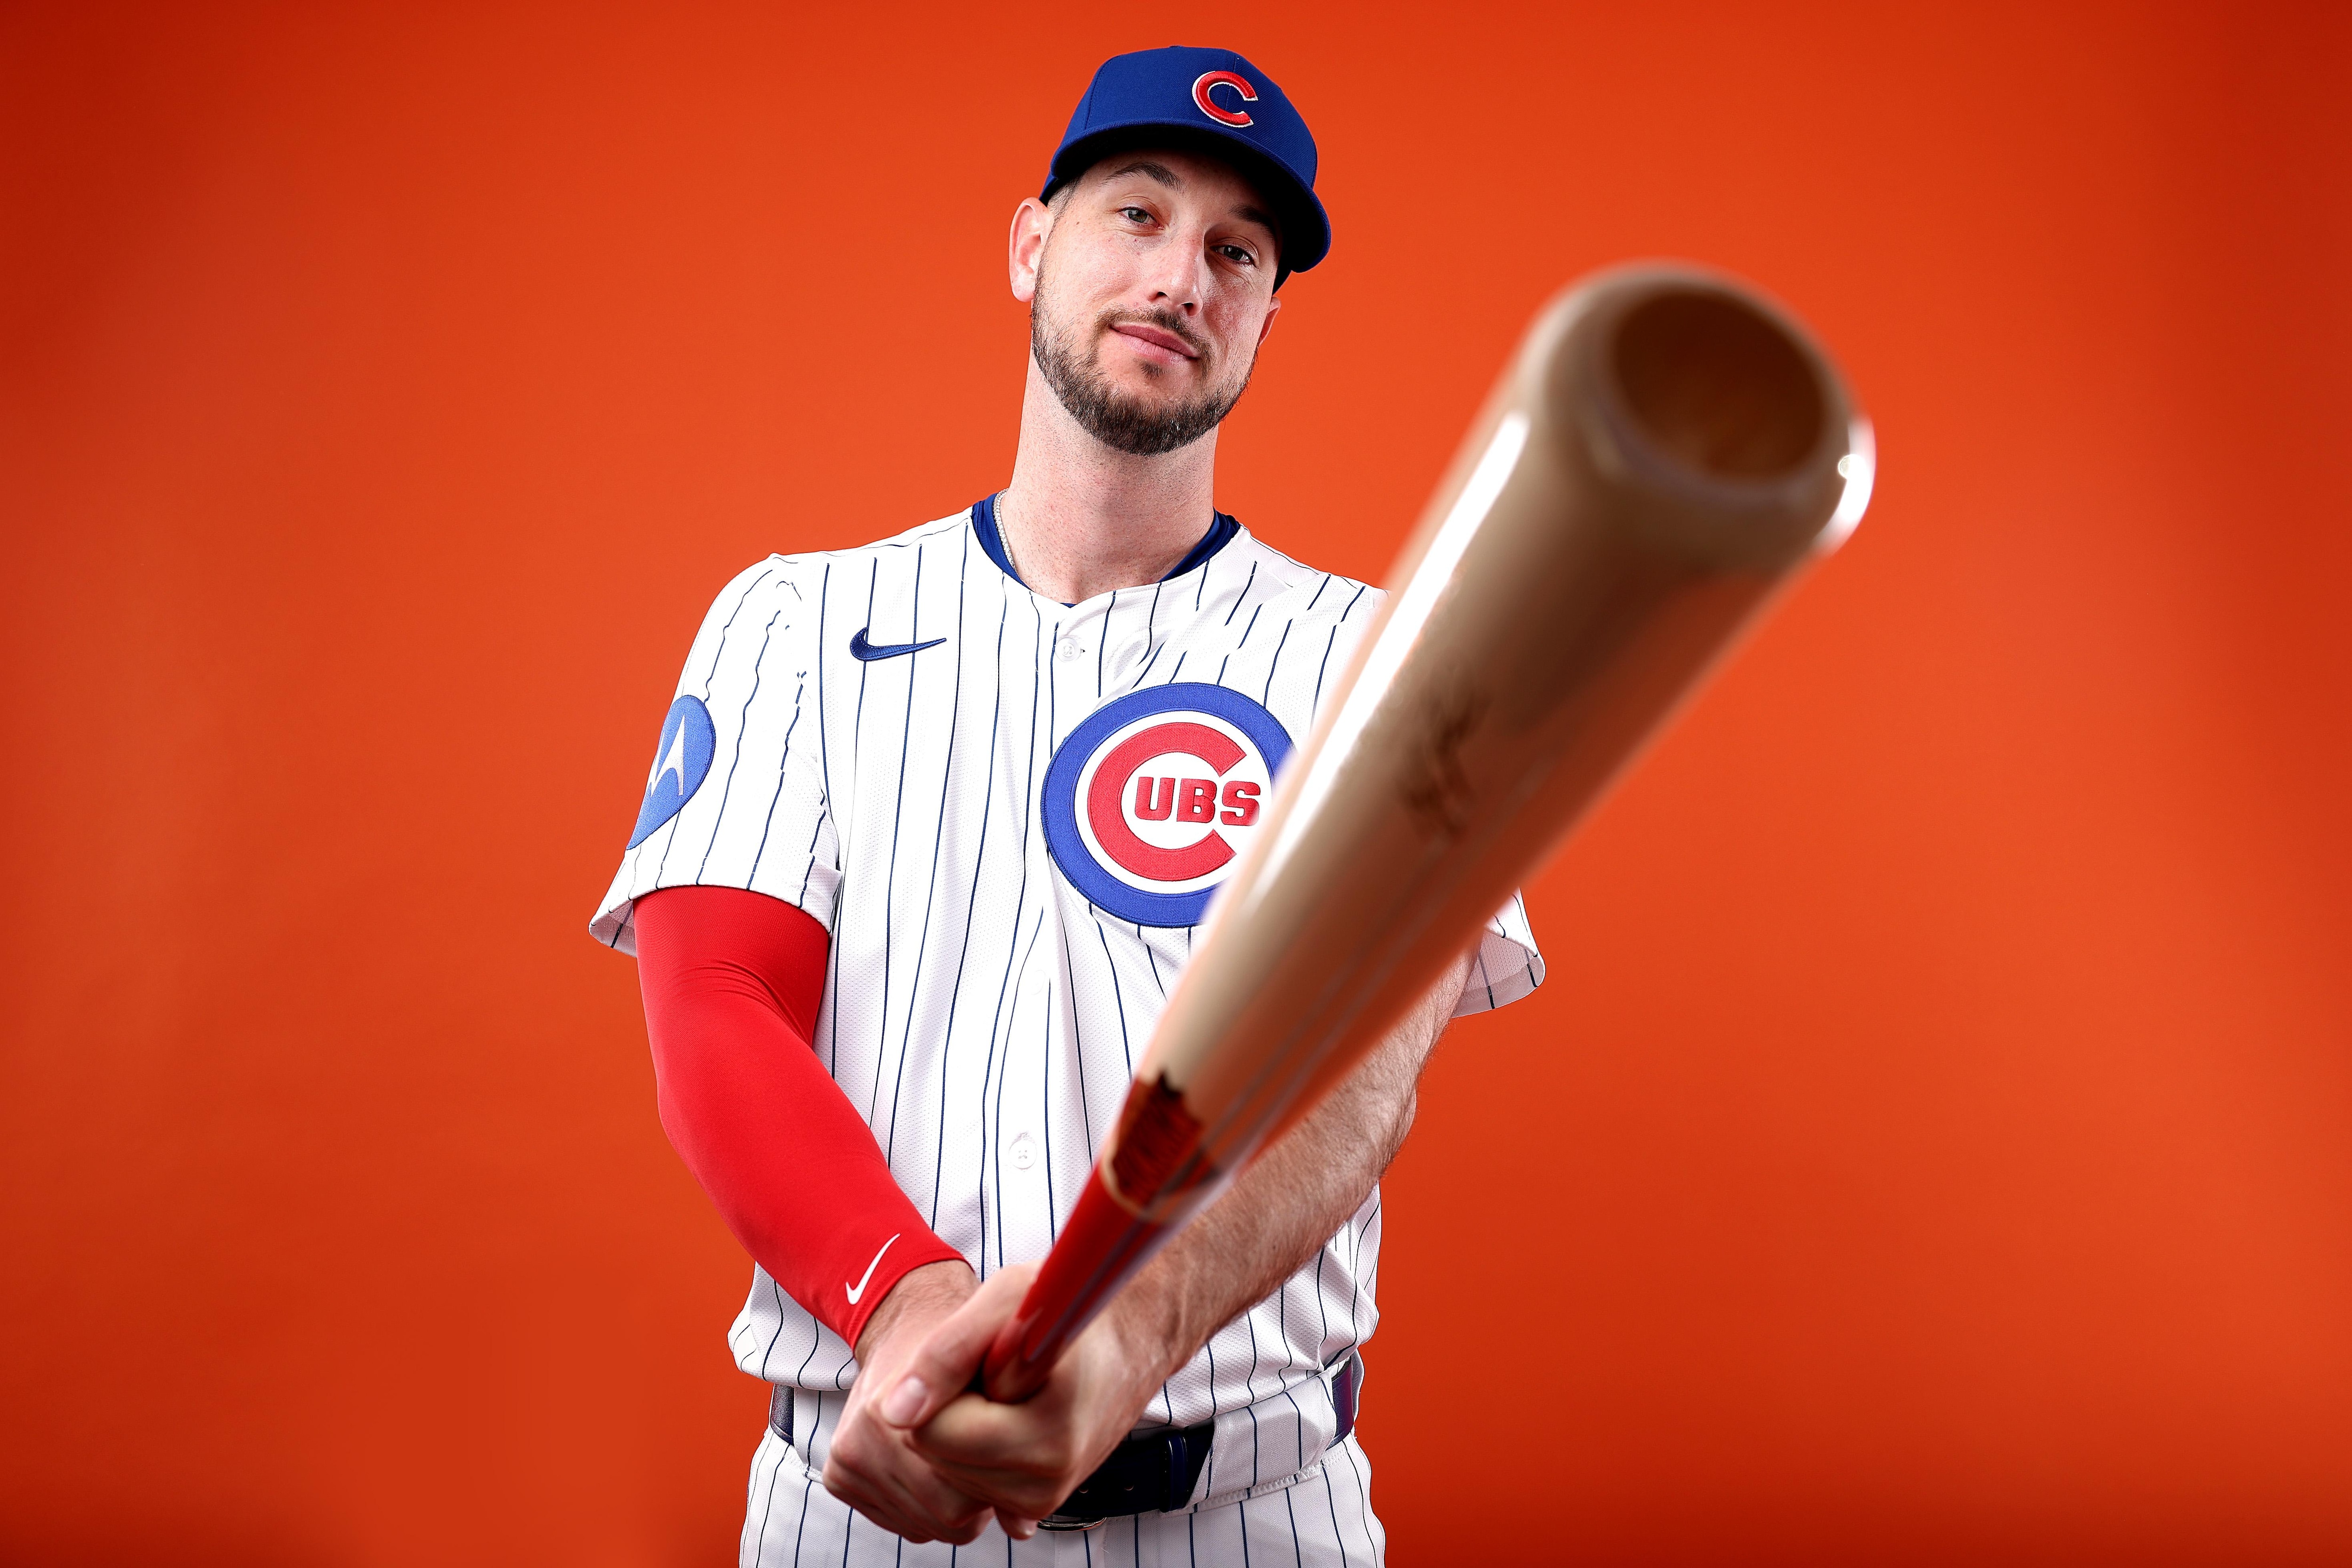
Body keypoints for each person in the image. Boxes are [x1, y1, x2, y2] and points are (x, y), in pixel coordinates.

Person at [590, 45, 1543, 1565]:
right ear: (1033, 243)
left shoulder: (1383, 659)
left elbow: (1365, 1071)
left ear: (1266, 317)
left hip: (1251, 1513)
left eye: (1237, 251)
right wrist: (907, 1307)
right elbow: (714, 1005)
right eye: (1137, 214)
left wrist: (1133, 1333)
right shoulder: (796, 618)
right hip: (864, 1500)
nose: (1182, 274)